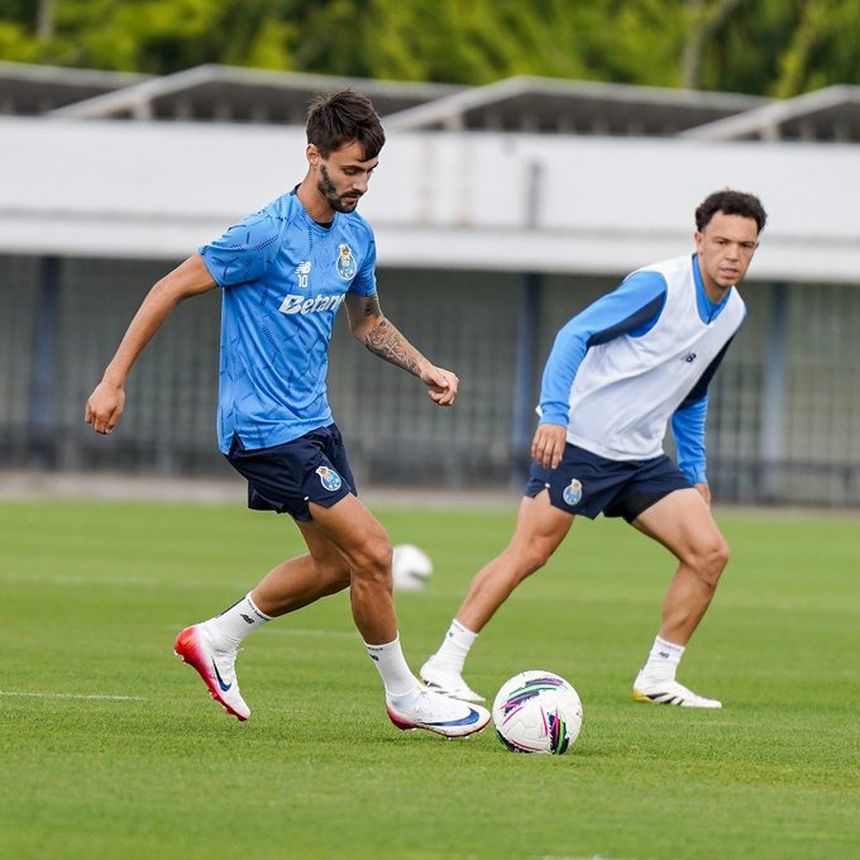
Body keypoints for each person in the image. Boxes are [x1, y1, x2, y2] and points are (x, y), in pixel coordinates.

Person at [84, 89, 490, 738]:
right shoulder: (266, 234)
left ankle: (215, 638)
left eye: (370, 173)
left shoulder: (355, 236)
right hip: (261, 430)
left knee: (335, 568)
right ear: (314, 155)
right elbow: (168, 288)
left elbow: (368, 323)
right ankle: (405, 695)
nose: (361, 185)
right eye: (351, 170)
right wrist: (113, 380)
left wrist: (425, 367)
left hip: (313, 425)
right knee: (374, 551)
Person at [421, 189, 767, 709]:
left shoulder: (733, 312)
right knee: (530, 552)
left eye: (746, 245)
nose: (733, 254)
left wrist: (695, 470)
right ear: (699, 240)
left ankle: (658, 676)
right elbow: (573, 334)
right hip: (578, 442)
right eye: (721, 241)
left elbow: (694, 392)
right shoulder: (658, 286)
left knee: (709, 552)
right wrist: (555, 415)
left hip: (642, 459)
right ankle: (443, 665)